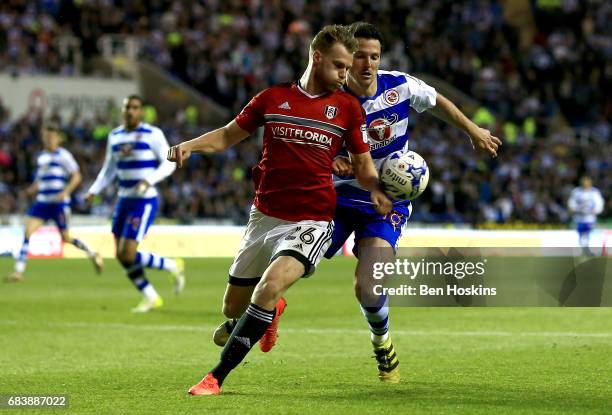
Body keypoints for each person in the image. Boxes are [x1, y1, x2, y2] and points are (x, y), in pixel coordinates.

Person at [167, 24, 392, 396]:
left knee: (268, 287)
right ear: (316, 57)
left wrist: (376, 189)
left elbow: (363, 165)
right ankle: (271, 311)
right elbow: (226, 135)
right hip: (265, 216)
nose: (345, 75)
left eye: (347, 67)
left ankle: (215, 378)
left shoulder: (349, 109)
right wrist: (190, 145)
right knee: (231, 308)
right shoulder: (271, 99)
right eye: (338, 66)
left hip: (313, 218)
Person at [323, 22, 502, 383]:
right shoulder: (327, 97)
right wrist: (329, 160)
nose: (367, 63)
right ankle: (266, 312)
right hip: (336, 198)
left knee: (369, 285)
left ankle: (382, 343)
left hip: (384, 203)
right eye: (360, 56)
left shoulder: (400, 86)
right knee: (292, 262)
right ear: (346, 57)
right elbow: (304, 144)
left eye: (374, 56)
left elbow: (437, 102)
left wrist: (473, 130)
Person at [85, 95, 185, 313]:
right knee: (120, 255)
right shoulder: (115, 136)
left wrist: (149, 180)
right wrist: (94, 190)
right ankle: (150, 296)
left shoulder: (153, 134)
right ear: (122, 111)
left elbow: (169, 163)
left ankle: (171, 265)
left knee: (128, 253)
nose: (130, 111)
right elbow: (109, 169)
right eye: (127, 107)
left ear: (141, 111)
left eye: (135, 107)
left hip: (144, 200)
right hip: (124, 199)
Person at [4, 122, 103, 283]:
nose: (49, 140)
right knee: (27, 232)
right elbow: (39, 180)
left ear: (58, 139)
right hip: (42, 202)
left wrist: (65, 192)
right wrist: (30, 190)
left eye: (52, 137)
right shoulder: (41, 157)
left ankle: (93, 254)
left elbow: (76, 176)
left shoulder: (64, 155)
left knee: (66, 238)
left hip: (58, 204)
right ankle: (19, 271)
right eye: (46, 137)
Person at [568, 176, 604, 256]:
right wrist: (577, 209)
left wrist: (594, 210)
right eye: (584, 181)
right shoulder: (576, 191)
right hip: (579, 218)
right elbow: (571, 203)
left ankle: (591, 252)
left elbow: (599, 204)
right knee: (578, 236)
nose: (586, 183)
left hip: (590, 219)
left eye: (587, 182)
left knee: (590, 236)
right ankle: (579, 253)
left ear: (590, 183)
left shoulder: (595, 192)